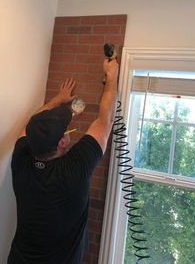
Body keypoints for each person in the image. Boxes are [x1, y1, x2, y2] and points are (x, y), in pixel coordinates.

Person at [7, 58, 119, 264]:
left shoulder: (21, 161)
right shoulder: (73, 170)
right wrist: (112, 76)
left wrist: (58, 99)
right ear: (61, 143)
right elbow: (105, 121)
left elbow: (30, 125)